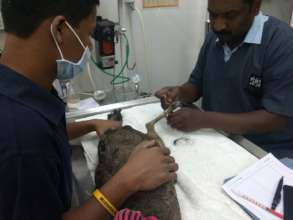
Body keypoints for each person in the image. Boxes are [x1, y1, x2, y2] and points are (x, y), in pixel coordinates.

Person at [0, 0, 178, 220]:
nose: (90, 46)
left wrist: (90, 124)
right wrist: (128, 180)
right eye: (88, 35)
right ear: (59, 29)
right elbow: (31, 140)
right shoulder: (21, 137)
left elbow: (47, 131)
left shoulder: (24, 88)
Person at [156, 0, 293, 159]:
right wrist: (178, 93)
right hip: (219, 140)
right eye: (213, 14)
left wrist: (204, 119)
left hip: (266, 152)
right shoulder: (213, 38)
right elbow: (195, 85)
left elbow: (276, 118)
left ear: (254, 7)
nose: (218, 25)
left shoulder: (282, 43)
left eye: (230, 15)